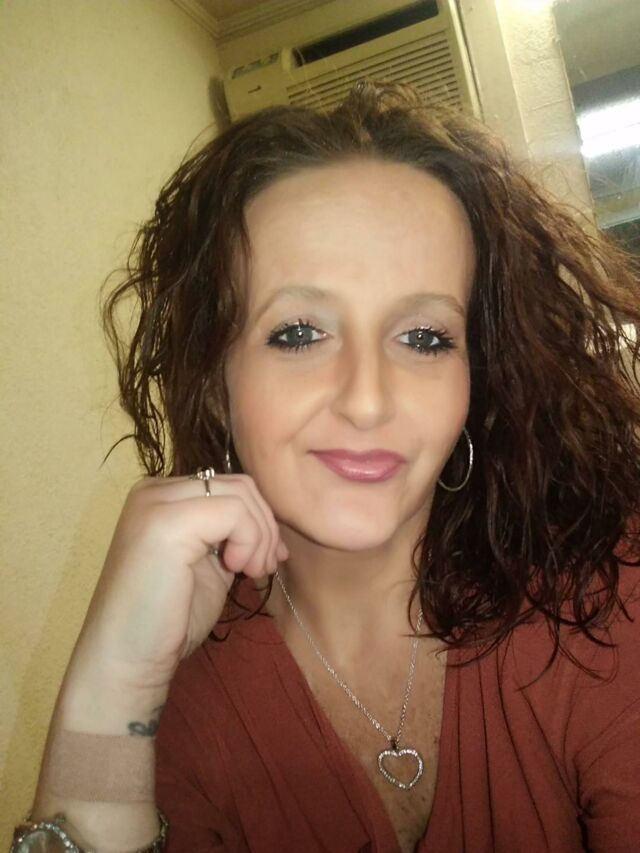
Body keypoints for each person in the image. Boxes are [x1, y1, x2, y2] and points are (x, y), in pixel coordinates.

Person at [12, 79, 640, 853]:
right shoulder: (181, 699)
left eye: (425, 337)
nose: (368, 401)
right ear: (216, 378)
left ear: (477, 375)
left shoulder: (601, 595)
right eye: (299, 333)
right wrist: (107, 695)